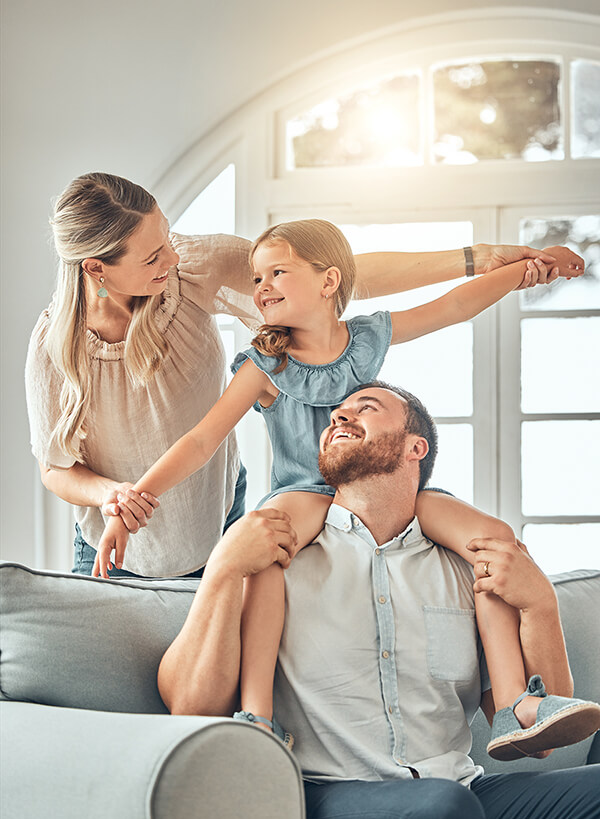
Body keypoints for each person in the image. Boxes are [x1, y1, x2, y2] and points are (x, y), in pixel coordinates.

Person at [95, 218, 589, 760]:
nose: (260, 287)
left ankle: (515, 705)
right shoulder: (266, 366)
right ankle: (257, 714)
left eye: (276, 272)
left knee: (489, 540)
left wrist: (524, 271)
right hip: (302, 490)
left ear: (329, 281)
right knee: (266, 554)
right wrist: (132, 501)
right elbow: (201, 439)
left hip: (370, 481)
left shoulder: (367, 338)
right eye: (256, 278)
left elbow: (453, 307)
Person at [157, 383, 600, 819]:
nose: (340, 418)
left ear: (416, 447)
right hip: (323, 797)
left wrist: (540, 604)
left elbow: (534, 736)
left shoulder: (465, 566)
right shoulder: (279, 554)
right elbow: (190, 708)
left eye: (364, 408)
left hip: (460, 790)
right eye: (336, 414)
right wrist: (222, 569)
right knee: (438, 808)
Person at [25, 172, 584, 579]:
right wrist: (122, 500)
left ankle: (524, 698)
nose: (170, 258)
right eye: (151, 257)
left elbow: (343, 278)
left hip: (215, 514)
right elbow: (64, 467)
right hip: (122, 541)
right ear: (96, 268)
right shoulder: (57, 348)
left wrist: (488, 260)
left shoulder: (192, 269)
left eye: (167, 238)